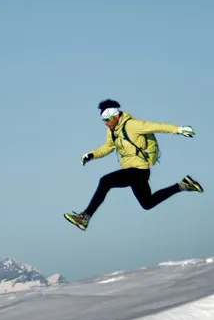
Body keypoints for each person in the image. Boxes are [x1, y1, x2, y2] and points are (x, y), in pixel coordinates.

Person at [64, 99, 203, 231]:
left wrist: (180, 129)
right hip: (132, 172)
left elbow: (156, 127)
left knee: (105, 181)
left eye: (107, 119)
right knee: (147, 204)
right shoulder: (112, 131)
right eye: (103, 120)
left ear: (116, 116)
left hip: (139, 170)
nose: (105, 123)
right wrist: (92, 155)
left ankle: (85, 217)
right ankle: (184, 185)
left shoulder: (132, 125)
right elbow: (108, 147)